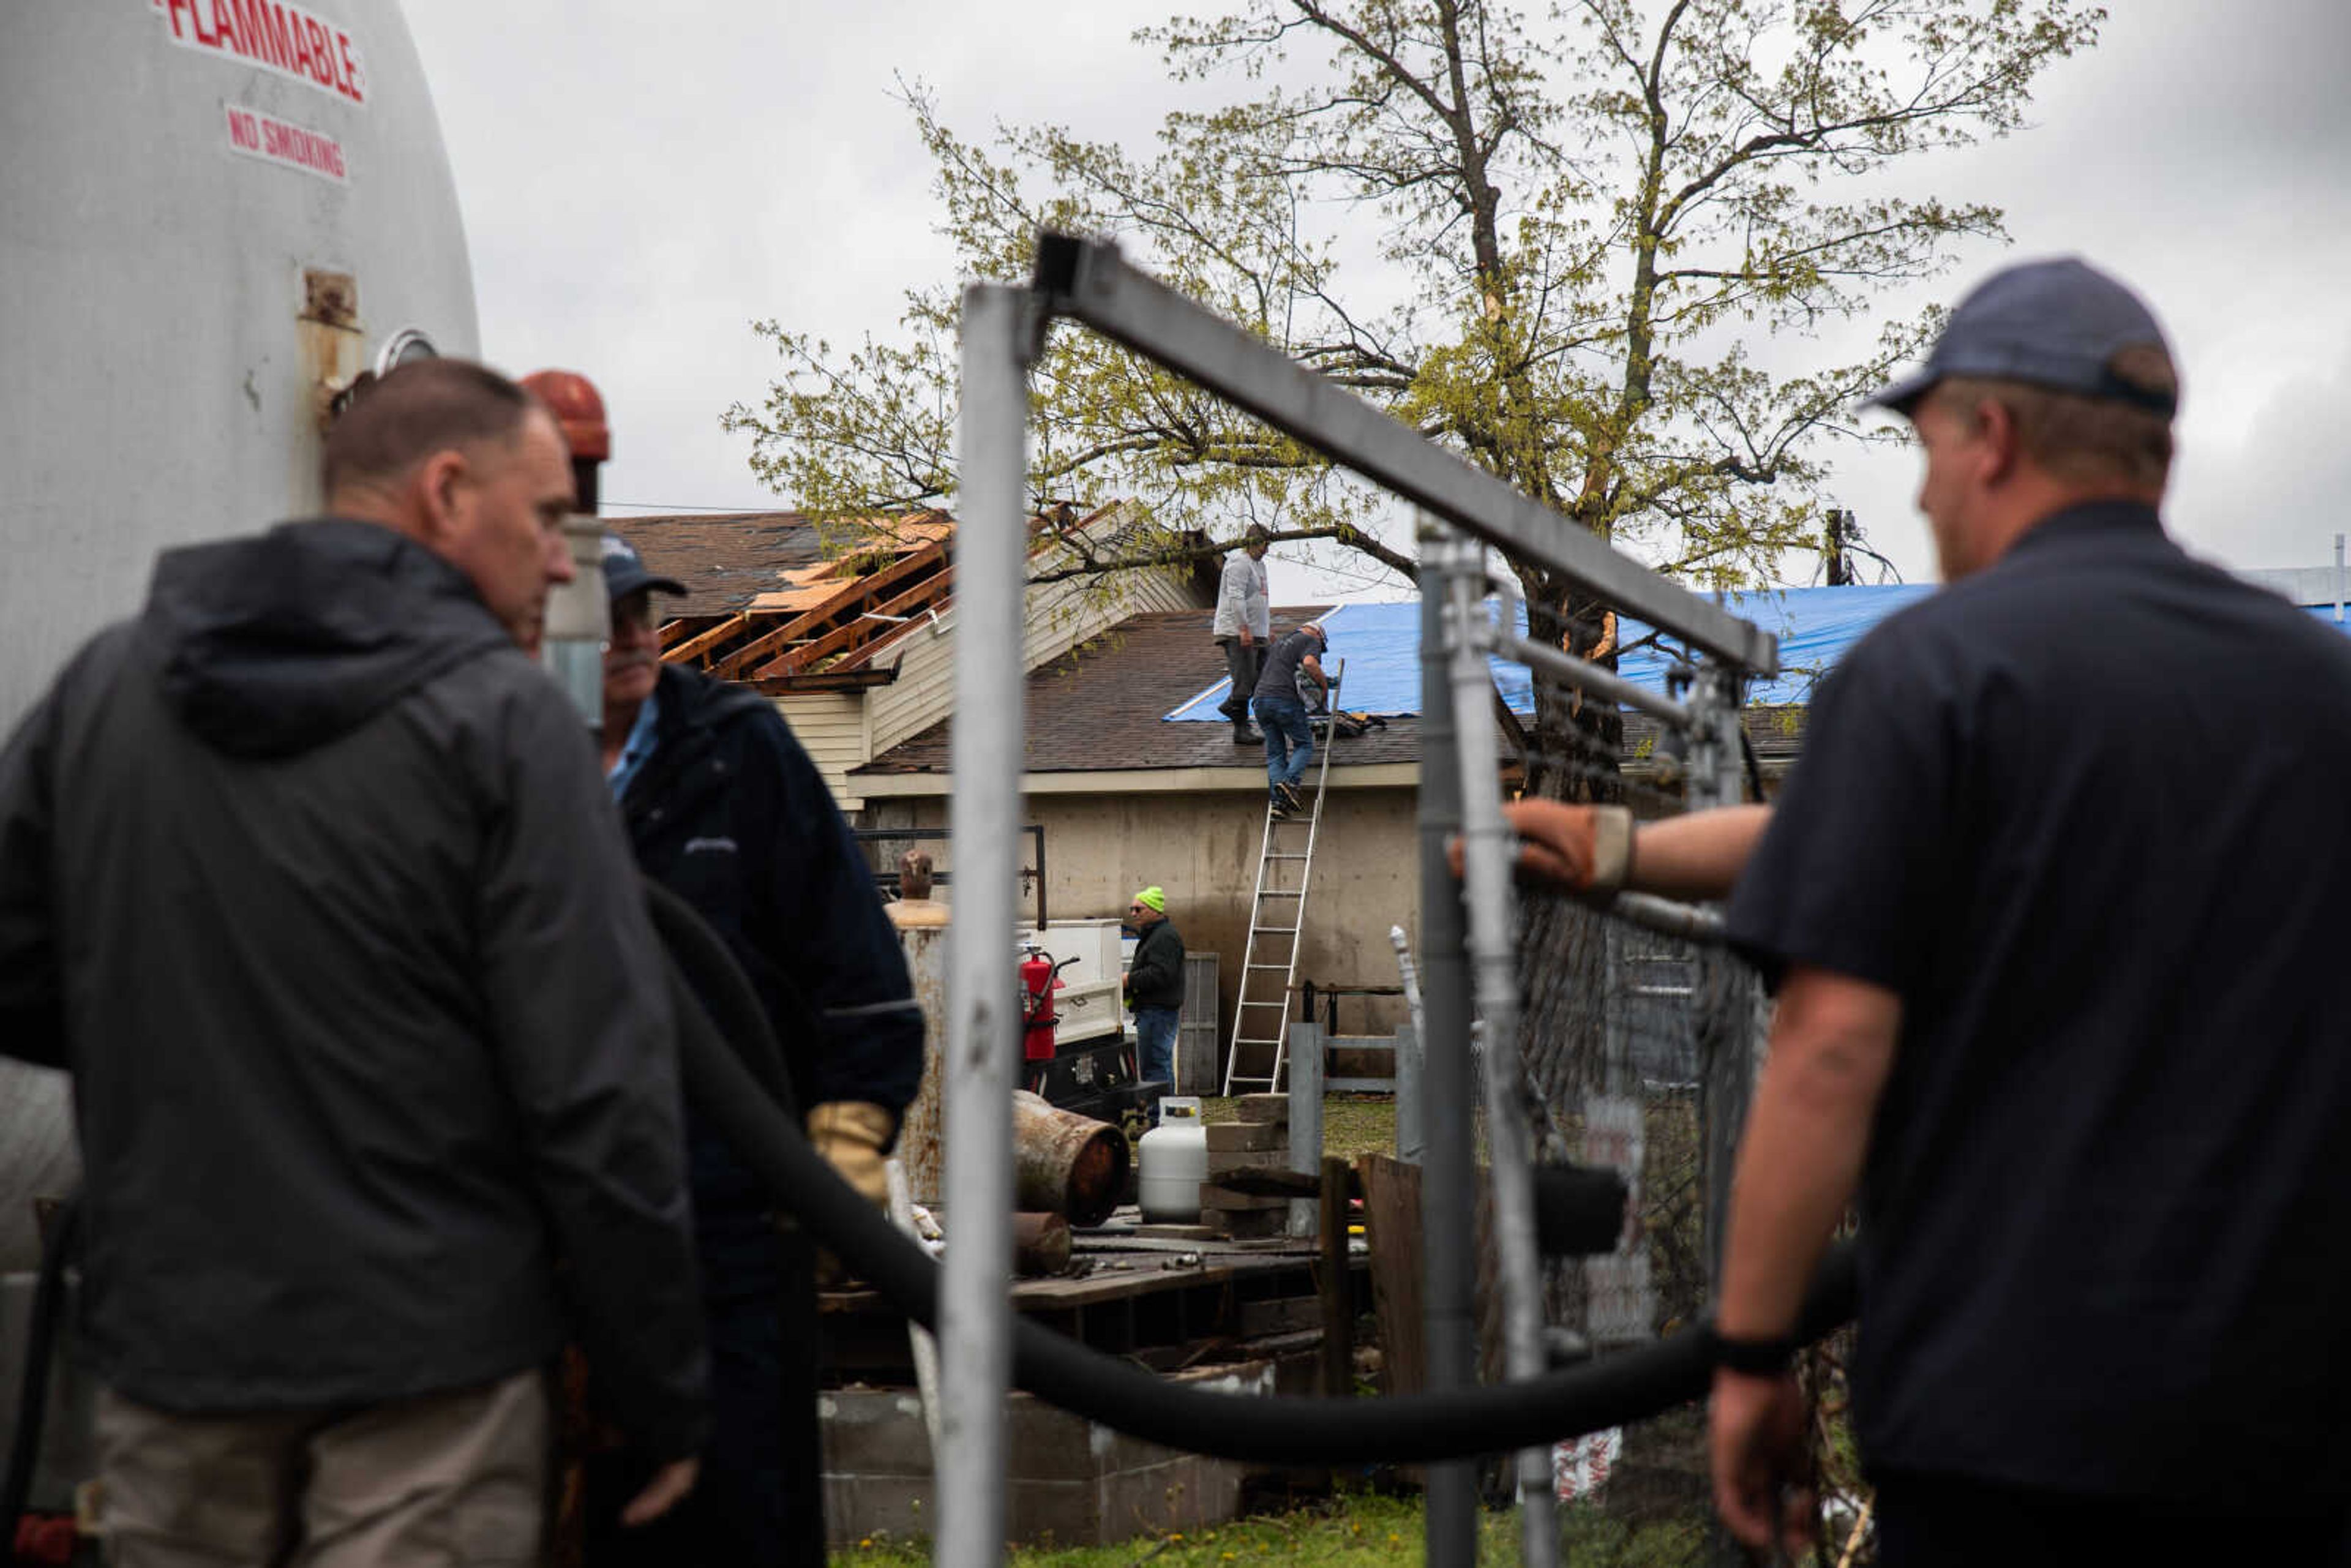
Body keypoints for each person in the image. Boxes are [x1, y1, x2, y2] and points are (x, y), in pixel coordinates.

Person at [1504, 258, 2351, 1564]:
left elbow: (1833, 1042)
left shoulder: (1925, 679)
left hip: (2012, 1427)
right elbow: (1889, 840)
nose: (1921, 488)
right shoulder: (2315, 691)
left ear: (1994, 435)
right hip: (2292, 1423)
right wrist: (1622, 844)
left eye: (1927, 445)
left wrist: (1746, 1354)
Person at [0, 359, 708, 1566]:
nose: (559, 561)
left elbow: (17, 967)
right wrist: (664, 1380)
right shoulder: (507, 720)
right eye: (545, 517)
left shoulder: (107, 685)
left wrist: (195, 1048)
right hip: (427, 1382)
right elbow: (598, 1088)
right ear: (445, 490)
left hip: (174, 1369)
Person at [588, 534, 927, 1567]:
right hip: (566, 1229)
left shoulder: (737, 749)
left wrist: (848, 1137)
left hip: (733, 1216)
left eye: (642, 611)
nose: (633, 636)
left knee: (745, 1514)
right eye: (602, 620)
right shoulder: (497, 763)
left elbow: (860, 974)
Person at [1251, 619, 1329, 819]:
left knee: (1276, 754)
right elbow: (1310, 663)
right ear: (1318, 634)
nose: (1320, 649)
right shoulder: (1310, 640)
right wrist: (1324, 686)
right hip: (1283, 700)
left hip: (1260, 701)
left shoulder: (1280, 643)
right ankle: (1290, 783)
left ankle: (1279, 804)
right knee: (1304, 744)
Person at [1212, 525, 1272, 745]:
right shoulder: (1239, 564)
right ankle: (1241, 729)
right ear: (1255, 542)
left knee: (1263, 676)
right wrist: (1243, 629)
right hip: (1236, 631)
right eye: (1265, 544)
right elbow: (1235, 597)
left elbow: (1260, 600)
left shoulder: (1261, 566)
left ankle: (1231, 706)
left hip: (1257, 632)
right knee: (1244, 678)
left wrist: (1266, 629)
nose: (1267, 550)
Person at [1123, 886, 1185, 1091]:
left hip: (1158, 1012)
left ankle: (1161, 1116)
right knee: (1155, 1065)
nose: (1133, 914)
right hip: (1154, 1011)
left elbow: (1160, 974)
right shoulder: (1155, 934)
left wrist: (1129, 980)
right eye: (1132, 909)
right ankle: (1163, 1115)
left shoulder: (1164, 937)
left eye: (1138, 909)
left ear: (1155, 910)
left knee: (1156, 1066)